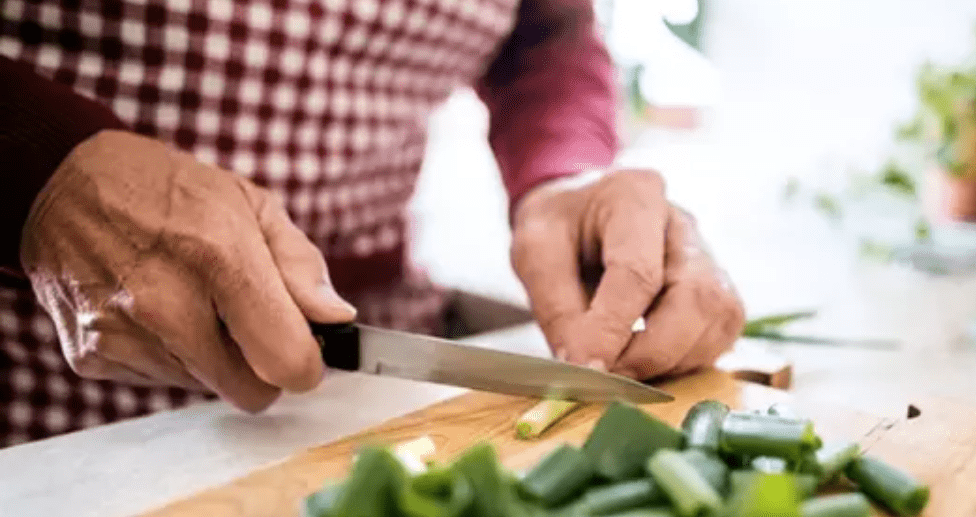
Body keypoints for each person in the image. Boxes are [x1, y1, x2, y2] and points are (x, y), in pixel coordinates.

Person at [0, 0, 745, 447]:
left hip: (365, 375)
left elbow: (546, 35)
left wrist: (566, 175)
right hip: (46, 379)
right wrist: (40, 170)